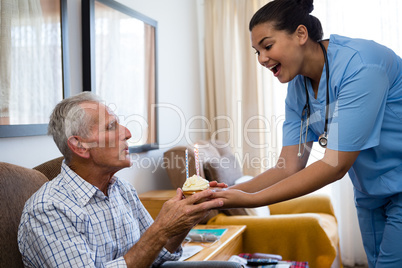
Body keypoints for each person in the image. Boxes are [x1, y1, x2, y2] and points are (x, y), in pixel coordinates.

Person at [210, 0, 402, 267]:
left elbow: (335, 165)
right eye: (257, 52)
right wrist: (225, 194)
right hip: (369, 191)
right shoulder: (297, 89)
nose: (262, 59)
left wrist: (249, 199)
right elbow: (288, 166)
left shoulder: (361, 65)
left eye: (267, 46)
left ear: (301, 34)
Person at [18, 92, 224, 268]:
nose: (127, 133)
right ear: (80, 146)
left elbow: (156, 256)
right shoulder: (48, 209)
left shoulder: (123, 190)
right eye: (111, 127)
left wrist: (185, 219)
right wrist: (161, 229)